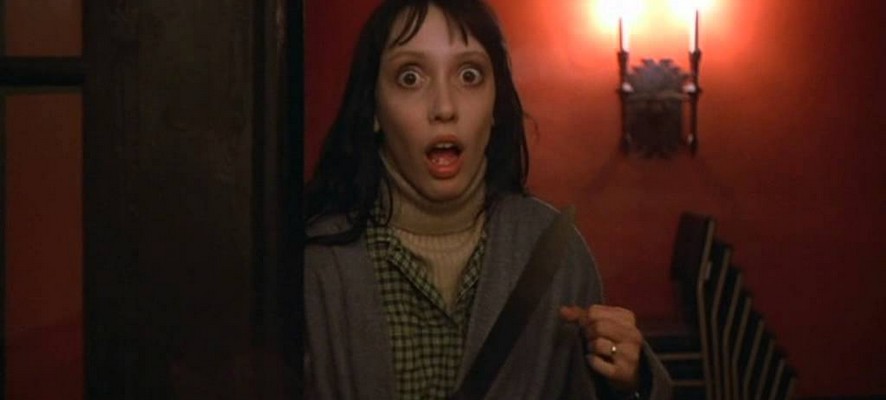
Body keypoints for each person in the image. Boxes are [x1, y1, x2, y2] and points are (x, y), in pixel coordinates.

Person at [304, 0, 672, 398]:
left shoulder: (554, 253)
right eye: (410, 77)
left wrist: (629, 381)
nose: (444, 107)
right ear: (374, 108)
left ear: (496, 103)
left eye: (469, 75)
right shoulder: (318, 265)